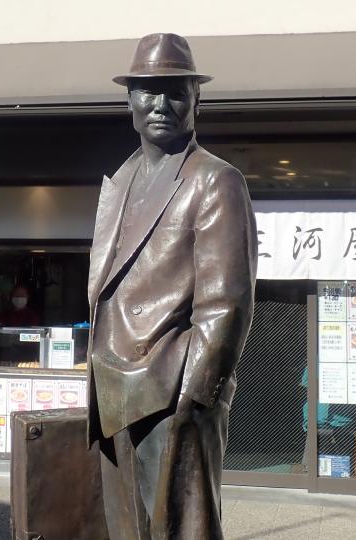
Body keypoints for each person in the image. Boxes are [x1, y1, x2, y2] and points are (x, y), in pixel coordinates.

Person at [86, 33, 257, 539]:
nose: (160, 105)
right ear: (130, 100)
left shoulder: (216, 180)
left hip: (171, 389)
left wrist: (196, 400)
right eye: (148, 91)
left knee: (181, 529)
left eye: (176, 92)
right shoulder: (121, 181)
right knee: (126, 528)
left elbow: (226, 302)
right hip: (112, 385)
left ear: (196, 99)